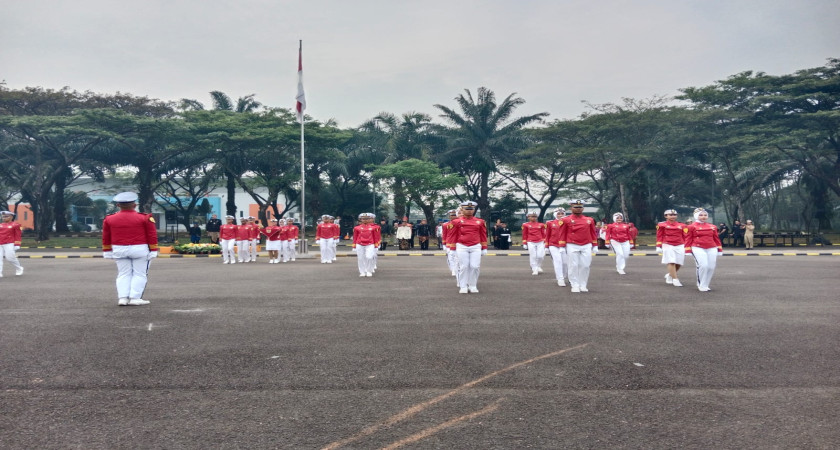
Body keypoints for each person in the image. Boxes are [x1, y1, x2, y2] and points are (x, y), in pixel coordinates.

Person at [101, 192, 158, 306]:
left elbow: (106, 236)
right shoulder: (145, 217)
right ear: (134, 205)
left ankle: (123, 298)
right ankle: (135, 298)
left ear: (118, 205)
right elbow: (152, 235)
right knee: (140, 274)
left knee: (123, 274)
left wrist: (107, 251)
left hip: (119, 249)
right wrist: (153, 250)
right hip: (139, 249)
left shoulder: (109, 219)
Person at [447, 201, 487, 294]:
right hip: (462, 245)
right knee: (464, 266)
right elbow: (453, 235)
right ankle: (463, 286)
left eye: (471, 209)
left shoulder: (480, 221)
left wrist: (484, 247)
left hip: (475, 245)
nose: (469, 211)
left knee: (475, 266)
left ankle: (473, 285)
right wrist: (452, 248)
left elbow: (483, 235)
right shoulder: (456, 222)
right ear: (462, 210)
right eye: (467, 209)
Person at [558, 200, 598, 293]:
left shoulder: (589, 220)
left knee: (585, 265)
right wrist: (562, 246)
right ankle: (574, 284)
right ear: (571, 208)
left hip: (586, 244)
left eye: (580, 207)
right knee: (573, 265)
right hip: (572, 244)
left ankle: (583, 284)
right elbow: (562, 233)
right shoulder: (565, 220)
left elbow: (593, 233)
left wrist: (595, 245)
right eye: (576, 207)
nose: (578, 209)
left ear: (583, 208)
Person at [686, 208, 723, 292]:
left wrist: (719, 249)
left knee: (711, 267)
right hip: (697, 247)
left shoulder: (712, 226)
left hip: (712, 247)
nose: (703, 217)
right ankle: (701, 284)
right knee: (703, 265)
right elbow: (688, 239)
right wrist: (687, 250)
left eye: (705, 215)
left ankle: (706, 284)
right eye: (701, 215)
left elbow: (716, 239)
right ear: (696, 216)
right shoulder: (691, 226)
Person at [656, 209, 688, 287]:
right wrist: (658, 246)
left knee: (679, 262)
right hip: (667, 244)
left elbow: (685, 236)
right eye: (670, 215)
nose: (673, 216)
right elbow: (659, 235)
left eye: (674, 215)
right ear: (666, 216)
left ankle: (670, 275)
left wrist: (687, 246)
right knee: (671, 261)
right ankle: (675, 279)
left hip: (680, 244)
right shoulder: (661, 225)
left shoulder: (682, 225)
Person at [545, 207, 568, 287]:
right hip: (553, 244)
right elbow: (547, 235)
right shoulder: (550, 223)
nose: (560, 215)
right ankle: (560, 279)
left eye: (562, 214)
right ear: (555, 214)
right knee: (557, 261)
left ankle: (564, 276)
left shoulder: (568, 222)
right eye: (558, 214)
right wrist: (546, 246)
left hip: (564, 245)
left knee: (565, 262)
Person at [352, 213, 380, 277]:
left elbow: (375, 237)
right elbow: (355, 237)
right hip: (360, 243)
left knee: (369, 257)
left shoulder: (373, 228)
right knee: (360, 258)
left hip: (370, 243)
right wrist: (354, 245)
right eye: (363, 219)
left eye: (367, 219)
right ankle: (362, 271)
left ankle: (369, 270)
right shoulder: (357, 228)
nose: (365, 220)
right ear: (361, 219)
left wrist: (376, 245)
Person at [521, 211, 547, 275]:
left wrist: (545, 241)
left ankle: (538, 266)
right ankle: (534, 268)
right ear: (528, 217)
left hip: (540, 241)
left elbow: (544, 233)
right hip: (530, 241)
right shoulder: (525, 225)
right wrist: (524, 243)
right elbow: (524, 234)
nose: (534, 218)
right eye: (532, 216)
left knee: (540, 256)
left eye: (535, 216)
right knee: (533, 256)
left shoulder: (541, 225)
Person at [0, 210, 24, 278]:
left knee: (10, 258)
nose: (4, 218)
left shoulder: (16, 225)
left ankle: (19, 268)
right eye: (3, 216)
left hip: (9, 243)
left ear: (11, 217)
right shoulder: (0, 225)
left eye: (6, 216)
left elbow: (18, 235)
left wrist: (17, 244)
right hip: (0, 243)